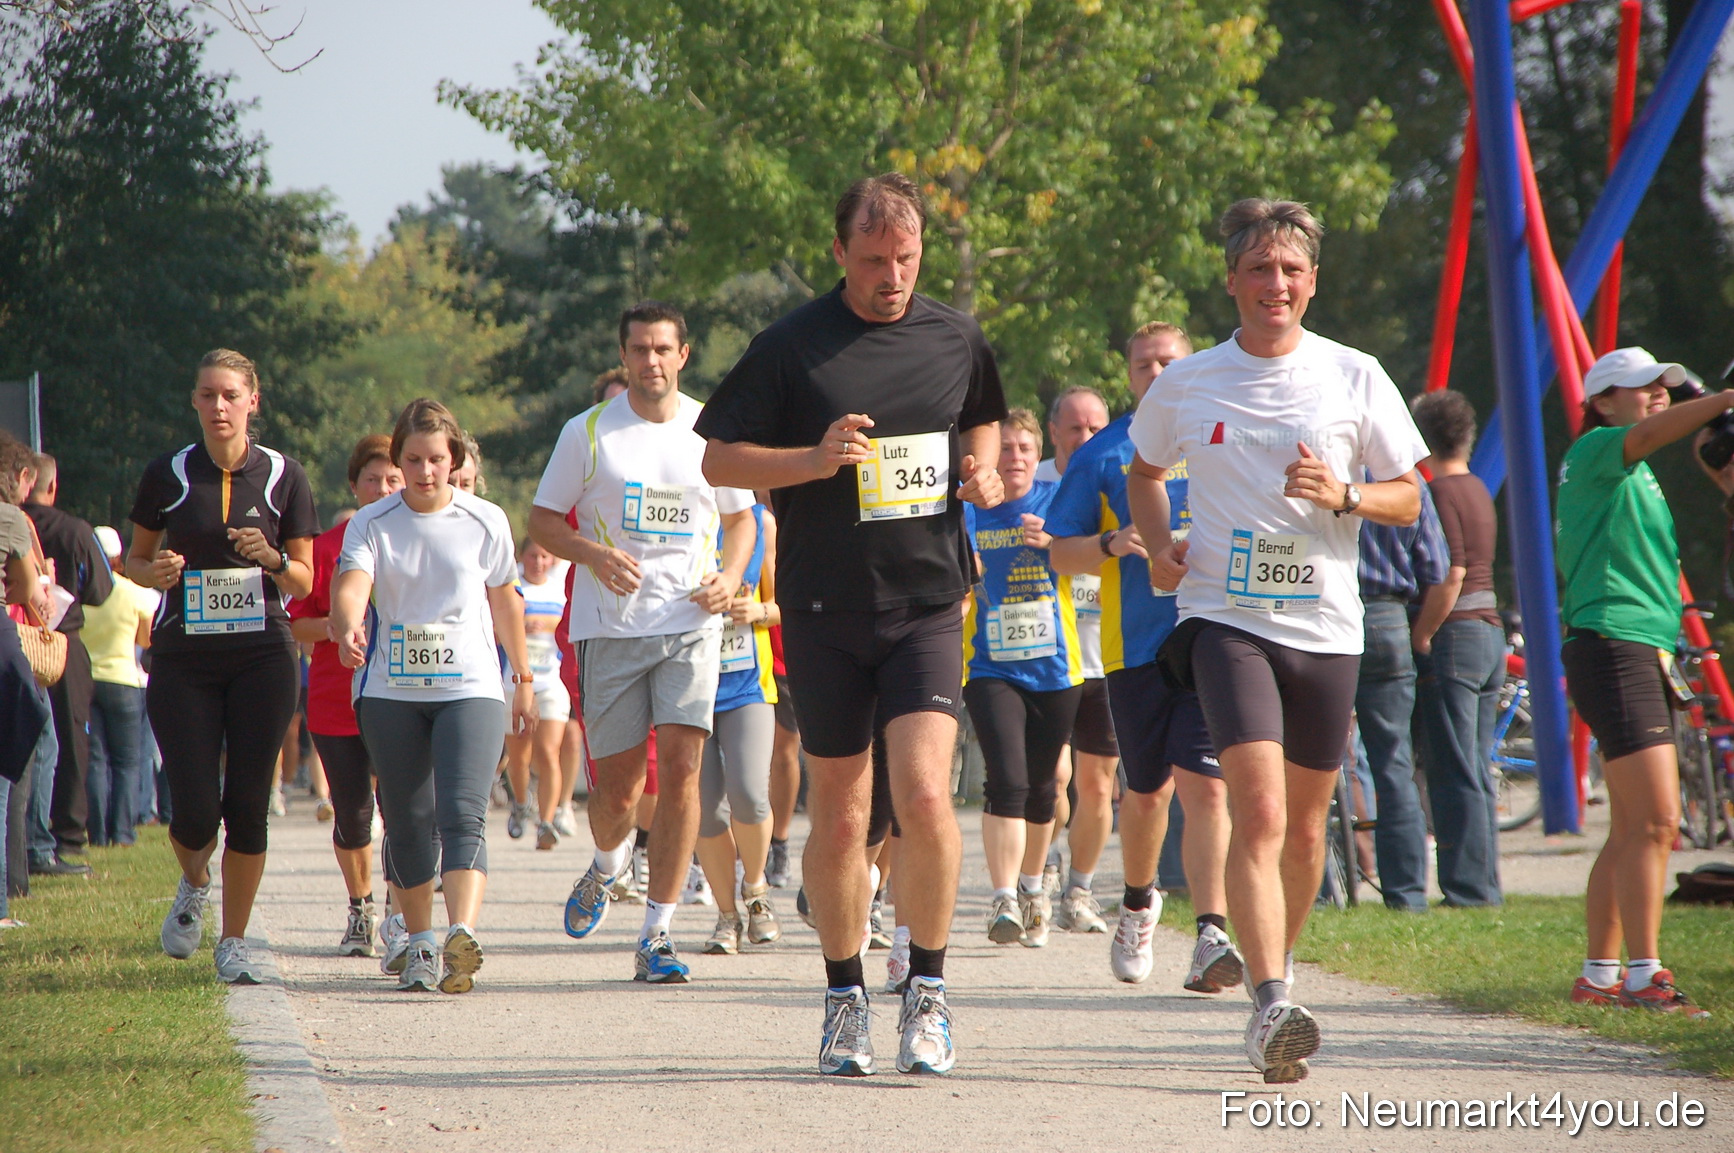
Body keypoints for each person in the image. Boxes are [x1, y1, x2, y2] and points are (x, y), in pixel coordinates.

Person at [697, 172, 1007, 1077]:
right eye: (874, 260)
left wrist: (981, 475)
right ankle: (843, 997)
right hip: (825, 608)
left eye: (906, 258)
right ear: (841, 254)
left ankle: (929, 990)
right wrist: (814, 457)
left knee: (922, 794)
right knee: (840, 814)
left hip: (926, 605)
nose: (892, 276)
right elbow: (717, 451)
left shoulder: (955, 334)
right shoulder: (793, 346)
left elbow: (981, 421)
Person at [1132, 199, 1428, 1083]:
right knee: (1256, 811)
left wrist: (1345, 495)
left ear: (1311, 283)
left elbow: (1409, 496)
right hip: (1226, 618)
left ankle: (1278, 975)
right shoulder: (1186, 381)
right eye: (1259, 269)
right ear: (1231, 280)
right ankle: (1269, 1002)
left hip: (1327, 625)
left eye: (1291, 270)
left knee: (1305, 834)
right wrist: (1157, 546)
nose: (1276, 284)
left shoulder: (1354, 373)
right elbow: (1145, 473)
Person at [532, 300, 756, 984]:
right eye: (639, 349)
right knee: (621, 791)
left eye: (663, 349)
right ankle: (606, 865)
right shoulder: (590, 431)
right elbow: (541, 520)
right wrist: (591, 556)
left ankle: (657, 933)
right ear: (625, 356)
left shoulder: (710, 431)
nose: (651, 360)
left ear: (683, 355)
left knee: (684, 774)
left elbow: (742, 519)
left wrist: (731, 575)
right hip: (612, 629)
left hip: (690, 624)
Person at [1050, 321, 1243, 995]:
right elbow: (1059, 549)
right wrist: (1111, 543)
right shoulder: (1105, 453)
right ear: (1128, 376)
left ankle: (1211, 931)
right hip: (1134, 645)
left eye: (1169, 362)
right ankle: (1138, 899)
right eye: (1143, 365)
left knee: (1207, 784)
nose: (1157, 374)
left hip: (1216, 631)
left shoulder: (1226, 434)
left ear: (1192, 367)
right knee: (1146, 791)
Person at [127, 349, 320, 984]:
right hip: (184, 655)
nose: (219, 406)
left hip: (263, 654)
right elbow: (133, 560)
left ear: (253, 401)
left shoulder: (285, 477)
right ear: (194, 401)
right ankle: (193, 882)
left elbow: (302, 576)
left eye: (231, 395)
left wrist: (268, 556)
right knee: (191, 807)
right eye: (208, 394)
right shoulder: (168, 474)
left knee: (246, 803)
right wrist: (153, 574)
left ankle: (233, 942)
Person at [329, 400, 534, 994]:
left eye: (436, 460)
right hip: (391, 693)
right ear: (398, 461)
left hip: (470, 689)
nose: (425, 472)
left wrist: (520, 678)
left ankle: (460, 934)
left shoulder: (486, 519)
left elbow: (504, 601)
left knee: (463, 812)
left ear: (456, 461)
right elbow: (353, 585)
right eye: (413, 460)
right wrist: (348, 625)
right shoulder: (372, 523)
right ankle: (419, 943)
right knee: (410, 819)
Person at [1556, 346, 1728, 1019]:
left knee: (1631, 826)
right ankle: (1645, 976)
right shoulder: (1602, 446)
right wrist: (1719, 401)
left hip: (1634, 649)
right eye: (1641, 388)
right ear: (1603, 401)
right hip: (1616, 646)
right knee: (1658, 819)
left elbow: (1666, 438)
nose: (1658, 395)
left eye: (1664, 386)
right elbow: (1653, 433)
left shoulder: (1635, 473)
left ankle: (1601, 975)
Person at [964, 409, 1083, 948]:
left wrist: (1055, 545)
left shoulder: (1058, 504)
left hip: (1057, 667)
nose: (1014, 459)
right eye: (1005, 448)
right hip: (989, 666)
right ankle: (1003, 897)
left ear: (1040, 458)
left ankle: (1034, 887)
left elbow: (1090, 563)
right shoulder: (968, 512)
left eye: (1024, 450)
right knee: (1006, 781)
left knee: (1044, 787)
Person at [289, 434, 403, 957]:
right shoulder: (329, 546)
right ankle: (361, 908)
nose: (384, 488)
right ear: (354, 486)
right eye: (373, 479)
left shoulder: (420, 536)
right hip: (338, 700)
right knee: (353, 811)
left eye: (393, 478)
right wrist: (336, 628)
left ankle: (402, 913)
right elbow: (297, 627)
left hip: (403, 695)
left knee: (403, 810)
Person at [1410, 390, 1506, 908]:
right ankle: (1485, 884)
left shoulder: (1437, 493)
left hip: (1454, 632)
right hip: (1489, 632)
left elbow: (1451, 572)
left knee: (1452, 771)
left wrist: (1421, 633)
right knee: (1477, 767)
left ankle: (1466, 890)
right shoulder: (1476, 489)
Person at [1350, 467, 1450, 912]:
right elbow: (1439, 567)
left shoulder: (1317, 464)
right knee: (1394, 763)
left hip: (1317, 616)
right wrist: (1418, 635)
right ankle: (1407, 895)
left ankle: (1317, 889)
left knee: (1307, 761)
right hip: (1388, 617)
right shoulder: (1405, 482)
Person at [1034, 386, 1114, 897]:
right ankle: (1046, 857)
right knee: (1055, 777)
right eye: (1076, 429)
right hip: (1047, 658)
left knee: (1098, 785)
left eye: (1095, 429)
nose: (1086, 438)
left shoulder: (1123, 476)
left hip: (1107, 654)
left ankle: (1080, 890)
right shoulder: (1034, 481)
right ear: (1054, 432)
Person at [696, 500, 784, 953]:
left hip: (747, 684)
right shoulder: (680, 513)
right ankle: (725, 916)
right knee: (705, 808)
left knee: (749, 793)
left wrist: (760, 612)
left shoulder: (760, 521)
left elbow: (789, 602)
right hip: (687, 687)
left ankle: (756, 892)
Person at [24, 451, 113, 868]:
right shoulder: (75, 529)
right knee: (71, 736)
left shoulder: (13, 525)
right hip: (62, 639)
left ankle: (22, 832)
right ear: (53, 486)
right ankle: (69, 835)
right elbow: (100, 590)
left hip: (15, 637)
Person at [1, 430, 55, 926]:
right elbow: (23, 586)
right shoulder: (12, 518)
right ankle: (5, 892)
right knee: (14, 757)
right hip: (6, 636)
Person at [81, 526, 157, 848]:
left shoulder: (80, 591)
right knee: (127, 761)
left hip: (87, 682)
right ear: (118, 559)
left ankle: (97, 833)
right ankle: (123, 832)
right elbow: (146, 640)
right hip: (124, 681)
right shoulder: (133, 592)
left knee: (96, 761)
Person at [501, 537, 576, 849]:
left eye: (545, 556)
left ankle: (546, 822)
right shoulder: (511, 585)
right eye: (533, 556)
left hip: (551, 683)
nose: (539, 562)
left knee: (548, 753)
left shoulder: (559, 587)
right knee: (519, 758)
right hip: (514, 683)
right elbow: (495, 624)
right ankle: (521, 802)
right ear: (522, 557)